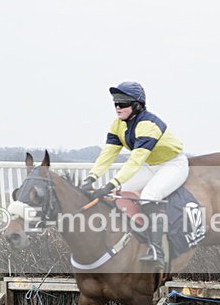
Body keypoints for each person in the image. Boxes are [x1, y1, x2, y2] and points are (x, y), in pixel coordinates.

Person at [80, 81, 189, 269]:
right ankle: (132, 236)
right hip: (150, 165)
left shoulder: (148, 125)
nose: (117, 107)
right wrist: (91, 178)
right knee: (122, 193)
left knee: (149, 196)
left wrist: (111, 183)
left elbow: (135, 161)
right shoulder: (117, 125)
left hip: (172, 164)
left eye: (122, 103)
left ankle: (157, 250)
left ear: (137, 105)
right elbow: (107, 155)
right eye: (115, 103)